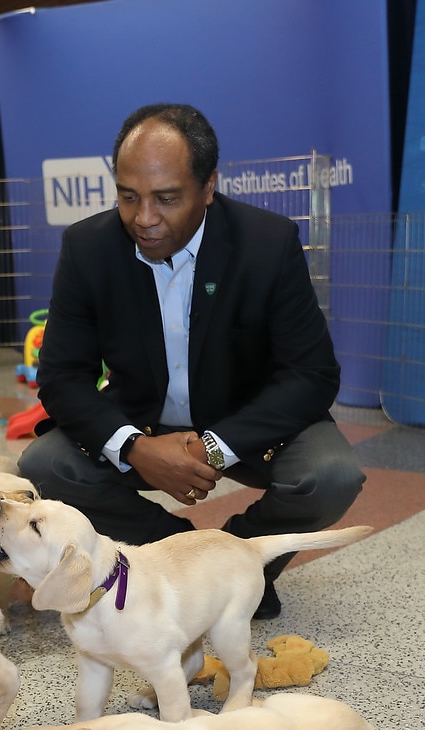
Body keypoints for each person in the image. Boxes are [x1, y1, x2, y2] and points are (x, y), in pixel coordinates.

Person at [18, 103, 365, 620]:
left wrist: (215, 448)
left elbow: (311, 374)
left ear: (208, 188)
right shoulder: (88, 247)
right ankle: (177, 556)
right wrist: (134, 447)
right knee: (42, 468)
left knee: (332, 474)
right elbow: (63, 376)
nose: (144, 218)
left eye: (167, 199)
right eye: (128, 197)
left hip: (250, 424)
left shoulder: (267, 244)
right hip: (143, 421)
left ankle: (244, 559)